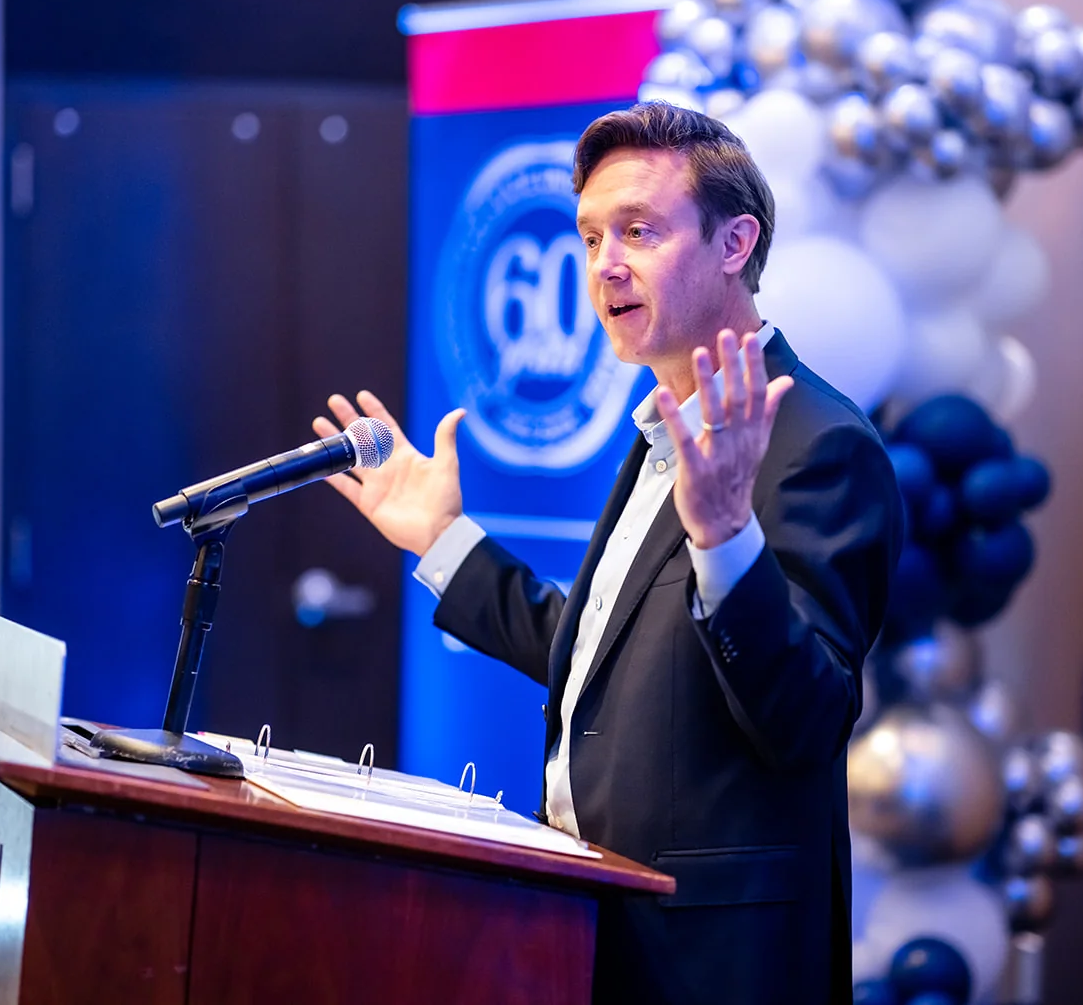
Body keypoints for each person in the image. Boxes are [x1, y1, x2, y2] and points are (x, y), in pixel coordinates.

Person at [312, 101, 902, 1005]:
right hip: (596, 923)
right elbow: (596, 649)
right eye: (590, 237)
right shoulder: (662, 426)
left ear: (735, 243)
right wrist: (441, 539)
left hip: (711, 958)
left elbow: (808, 720)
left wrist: (727, 536)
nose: (604, 267)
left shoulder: (818, 443)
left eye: (638, 230)